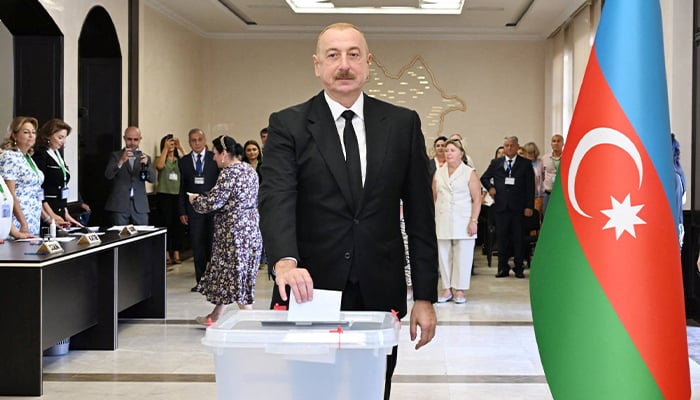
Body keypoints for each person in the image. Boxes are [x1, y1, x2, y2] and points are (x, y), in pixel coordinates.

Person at [258, 22, 438, 400]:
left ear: (368, 63)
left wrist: (424, 297)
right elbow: (277, 198)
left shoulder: (402, 124)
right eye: (333, 55)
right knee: (311, 391)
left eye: (353, 54)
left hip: (379, 290)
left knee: (372, 389)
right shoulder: (288, 124)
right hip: (311, 290)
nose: (344, 65)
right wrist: (285, 263)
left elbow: (421, 216)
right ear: (317, 65)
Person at [189, 135, 262, 324]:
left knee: (235, 275)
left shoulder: (229, 172)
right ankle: (214, 316)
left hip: (233, 233)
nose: (213, 158)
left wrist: (195, 200)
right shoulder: (249, 170)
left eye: (214, 153)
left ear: (224, 153)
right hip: (250, 229)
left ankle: (250, 320)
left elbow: (214, 201)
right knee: (233, 273)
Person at [433, 139, 481, 304]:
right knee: (444, 254)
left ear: (461, 153)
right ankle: (446, 289)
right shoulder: (439, 172)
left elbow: (476, 199)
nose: (448, 153)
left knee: (463, 254)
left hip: (463, 218)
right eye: (446, 151)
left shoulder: (469, 172)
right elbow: (434, 196)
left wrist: (473, 220)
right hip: (443, 217)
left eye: (452, 150)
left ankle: (459, 290)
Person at [480, 136, 534, 279]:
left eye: (512, 145)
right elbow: (484, 177)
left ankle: (518, 267)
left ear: (517, 147)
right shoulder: (496, 163)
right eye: (506, 145)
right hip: (501, 206)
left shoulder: (525, 164)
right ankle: (502, 267)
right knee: (502, 238)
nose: (509, 148)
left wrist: (529, 206)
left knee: (518, 238)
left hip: (518, 207)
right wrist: (490, 188)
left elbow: (530, 186)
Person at [179, 128, 220, 292]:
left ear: (204, 141)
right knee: (197, 245)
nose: (196, 143)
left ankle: (214, 281)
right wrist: (182, 210)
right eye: (193, 140)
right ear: (189, 142)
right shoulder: (184, 161)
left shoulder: (213, 158)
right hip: (194, 209)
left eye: (199, 140)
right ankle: (201, 281)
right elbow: (181, 188)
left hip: (213, 208)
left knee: (213, 245)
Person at [32, 118, 82, 229]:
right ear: (48, 136)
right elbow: (39, 188)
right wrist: (51, 215)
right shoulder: (41, 155)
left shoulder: (57, 155)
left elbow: (62, 185)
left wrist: (66, 213)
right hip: (46, 211)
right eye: (60, 138)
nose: (63, 142)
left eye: (64, 138)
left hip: (59, 208)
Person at [0, 116, 45, 235]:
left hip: (33, 218)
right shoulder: (9, 156)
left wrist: (48, 218)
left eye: (33, 132)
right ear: (14, 135)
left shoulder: (28, 157)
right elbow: (11, 193)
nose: (31, 135)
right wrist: (23, 222)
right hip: (17, 221)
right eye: (26, 132)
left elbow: (35, 192)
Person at [104, 126, 156, 225]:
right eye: (129, 139)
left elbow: (153, 179)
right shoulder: (116, 156)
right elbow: (108, 175)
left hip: (140, 205)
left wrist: (147, 166)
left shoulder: (145, 157)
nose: (132, 143)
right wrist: (121, 161)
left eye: (135, 140)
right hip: (119, 204)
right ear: (124, 138)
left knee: (142, 237)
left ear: (140, 139)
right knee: (121, 237)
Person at [155, 133, 186, 266]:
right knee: (166, 223)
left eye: (173, 144)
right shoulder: (160, 157)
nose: (172, 146)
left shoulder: (179, 160)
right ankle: (166, 253)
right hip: (164, 194)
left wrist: (181, 148)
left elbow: (189, 163)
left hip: (178, 194)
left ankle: (177, 253)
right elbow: (160, 166)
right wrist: (165, 150)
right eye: (169, 143)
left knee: (177, 225)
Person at [541, 134, 564, 216]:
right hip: (548, 194)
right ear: (551, 144)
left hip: (562, 195)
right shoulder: (545, 158)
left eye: (558, 141)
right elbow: (542, 174)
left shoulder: (567, 157)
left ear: (563, 143)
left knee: (560, 216)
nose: (556, 143)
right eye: (554, 141)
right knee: (546, 216)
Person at [522, 141, 544, 217]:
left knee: (537, 216)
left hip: (537, 195)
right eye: (529, 152)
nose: (531, 155)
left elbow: (543, 176)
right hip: (524, 196)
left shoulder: (540, 162)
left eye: (532, 152)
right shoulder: (522, 163)